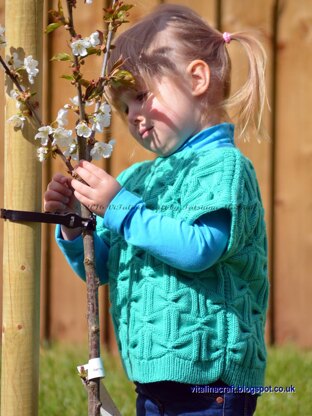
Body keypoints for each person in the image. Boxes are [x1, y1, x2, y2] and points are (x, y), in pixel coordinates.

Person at [44, 4, 269, 415]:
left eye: (142, 96)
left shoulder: (223, 167)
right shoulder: (136, 180)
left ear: (198, 79)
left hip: (210, 380)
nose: (132, 116)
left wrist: (120, 209)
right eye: (124, 106)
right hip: (151, 378)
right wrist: (77, 228)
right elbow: (106, 269)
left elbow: (200, 248)